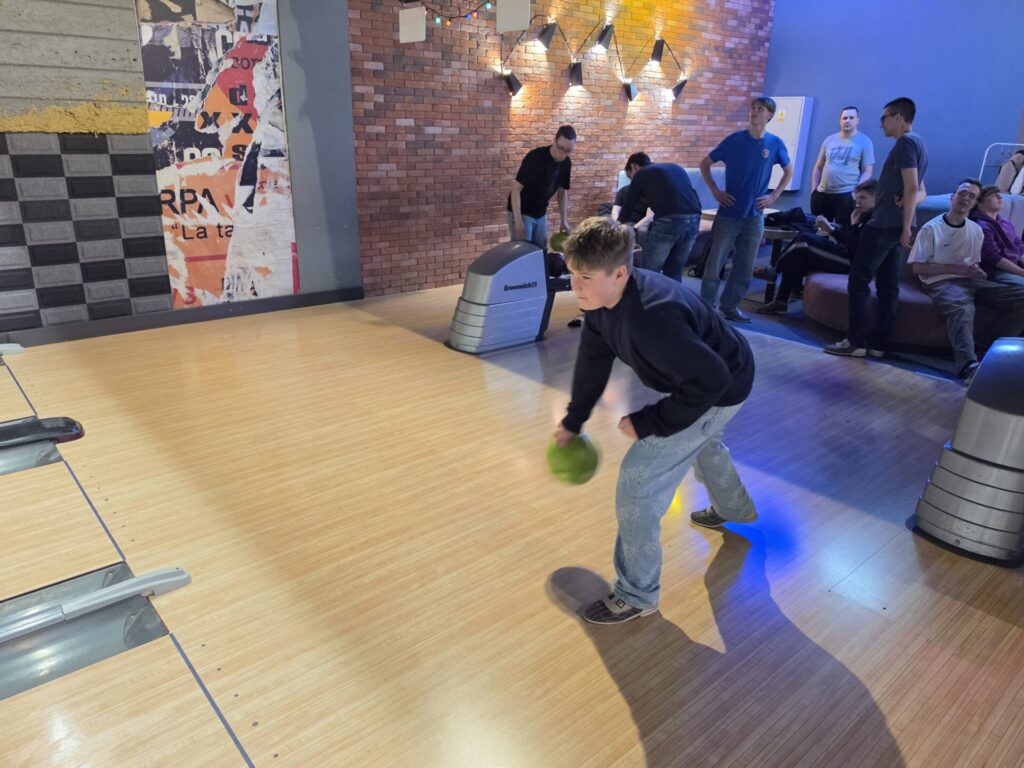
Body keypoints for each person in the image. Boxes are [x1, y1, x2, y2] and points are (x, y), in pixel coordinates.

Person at [553, 216, 757, 625]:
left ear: (620, 273)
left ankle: (636, 594)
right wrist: (574, 420)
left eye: (585, 277)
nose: (576, 286)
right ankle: (735, 508)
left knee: (639, 482)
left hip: (721, 385)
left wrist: (651, 421)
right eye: (572, 274)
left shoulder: (652, 317)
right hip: (706, 373)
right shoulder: (602, 303)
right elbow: (593, 359)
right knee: (703, 445)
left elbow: (711, 381)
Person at [825, 97, 927, 358]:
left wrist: (906, 226)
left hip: (884, 224)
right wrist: (905, 214)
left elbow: (913, 187)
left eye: (884, 118)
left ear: (898, 117)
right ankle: (879, 343)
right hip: (895, 225)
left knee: (859, 280)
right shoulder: (918, 143)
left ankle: (856, 341)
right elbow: (918, 191)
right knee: (887, 284)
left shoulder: (905, 143)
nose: (881, 123)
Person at [908, 179, 1024, 382]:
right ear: (953, 197)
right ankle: (968, 366)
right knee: (963, 308)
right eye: (962, 193)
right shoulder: (931, 228)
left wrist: (978, 272)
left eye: (972, 196)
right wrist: (956, 269)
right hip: (940, 281)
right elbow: (918, 267)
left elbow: (974, 264)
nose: (966, 198)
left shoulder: (975, 230)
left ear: (974, 203)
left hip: (970, 280)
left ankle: (988, 350)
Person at [699, 96, 795, 322]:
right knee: (715, 264)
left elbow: (788, 170)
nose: (754, 111)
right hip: (729, 215)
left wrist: (773, 196)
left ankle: (730, 307)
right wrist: (715, 191)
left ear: (769, 115)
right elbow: (705, 163)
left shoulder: (775, 143)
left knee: (744, 267)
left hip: (754, 217)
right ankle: (706, 308)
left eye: (760, 109)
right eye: (753, 108)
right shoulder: (734, 140)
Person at [757, 179, 877, 313]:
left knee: (804, 240)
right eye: (857, 197)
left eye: (863, 198)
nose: (858, 202)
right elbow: (846, 239)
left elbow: (855, 248)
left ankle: (774, 270)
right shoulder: (860, 213)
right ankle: (780, 301)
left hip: (852, 263)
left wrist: (852, 226)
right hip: (844, 252)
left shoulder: (874, 221)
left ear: (877, 199)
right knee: (798, 254)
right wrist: (831, 229)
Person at [616, 153, 703, 281]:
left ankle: (646, 294)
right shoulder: (675, 167)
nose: (631, 178)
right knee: (675, 270)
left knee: (650, 269)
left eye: (630, 174)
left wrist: (616, 227)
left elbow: (629, 205)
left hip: (670, 220)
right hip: (695, 219)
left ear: (634, 166)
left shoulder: (642, 173)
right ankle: (672, 294)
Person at [507, 125, 575, 250]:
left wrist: (564, 221)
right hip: (522, 211)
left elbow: (562, 192)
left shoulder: (566, 163)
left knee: (540, 251)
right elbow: (516, 190)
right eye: (561, 148)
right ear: (554, 141)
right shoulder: (536, 158)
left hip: (540, 212)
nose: (563, 153)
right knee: (523, 252)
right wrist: (518, 221)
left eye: (568, 150)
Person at [809, 106, 875, 224]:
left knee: (843, 231)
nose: (847, 120)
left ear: (857, 120)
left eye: (851, 118)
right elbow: (818, 167)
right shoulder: (829, 140)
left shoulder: (865, 142)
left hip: (846, 195)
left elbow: (867, 171)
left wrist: (855, 193)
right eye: (845, 118)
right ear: (840, 121)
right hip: (822, 195)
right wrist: (814, 191)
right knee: (818, 230)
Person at [969, 185, 1024, 288]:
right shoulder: (980, 226)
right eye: (993, 196)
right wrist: (1022, 272)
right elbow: (994, 259)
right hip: (996, 271)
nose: (999, 197)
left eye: (999, 195)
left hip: (1015, 265)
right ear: (979, 202)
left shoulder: (1005, 222)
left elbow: (1019, 246)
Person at [611, 153, 654, 248]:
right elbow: (615, 211)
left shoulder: (651, 192)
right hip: (625, 222)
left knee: (642, 231)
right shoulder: (623, 190)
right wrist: (617, 225)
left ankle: (638, 253)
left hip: (641, 224)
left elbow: (649, 217)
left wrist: (633, 228)